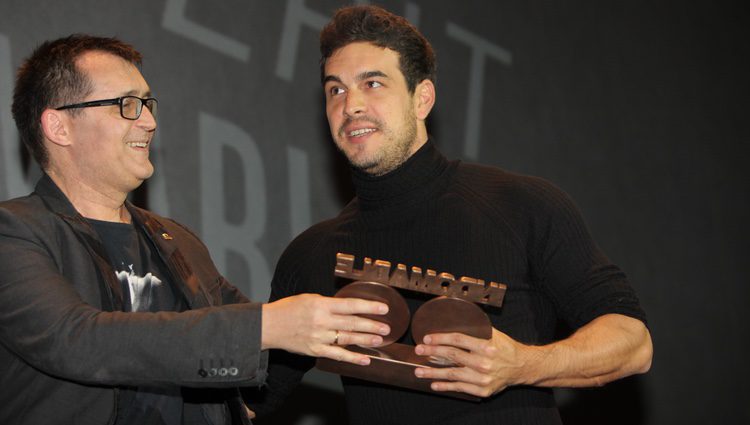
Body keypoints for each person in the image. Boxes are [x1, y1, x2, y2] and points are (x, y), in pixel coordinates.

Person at [248, 5, 653, 424]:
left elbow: (632, 343)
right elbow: (249, 403)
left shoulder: (522, 205)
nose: (351, 105)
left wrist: (522, 365)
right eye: (336, 90)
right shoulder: (312, 256)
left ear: (422, 97)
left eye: (372, 83)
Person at [0, 34, 392, 425]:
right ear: (59, 126)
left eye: (147, 104)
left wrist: (418, 348)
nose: (150, 122)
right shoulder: (15, 232)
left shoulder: (177, 242)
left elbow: (261, 344)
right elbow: (79, 341)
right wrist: (265, 326)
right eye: (127, 105)